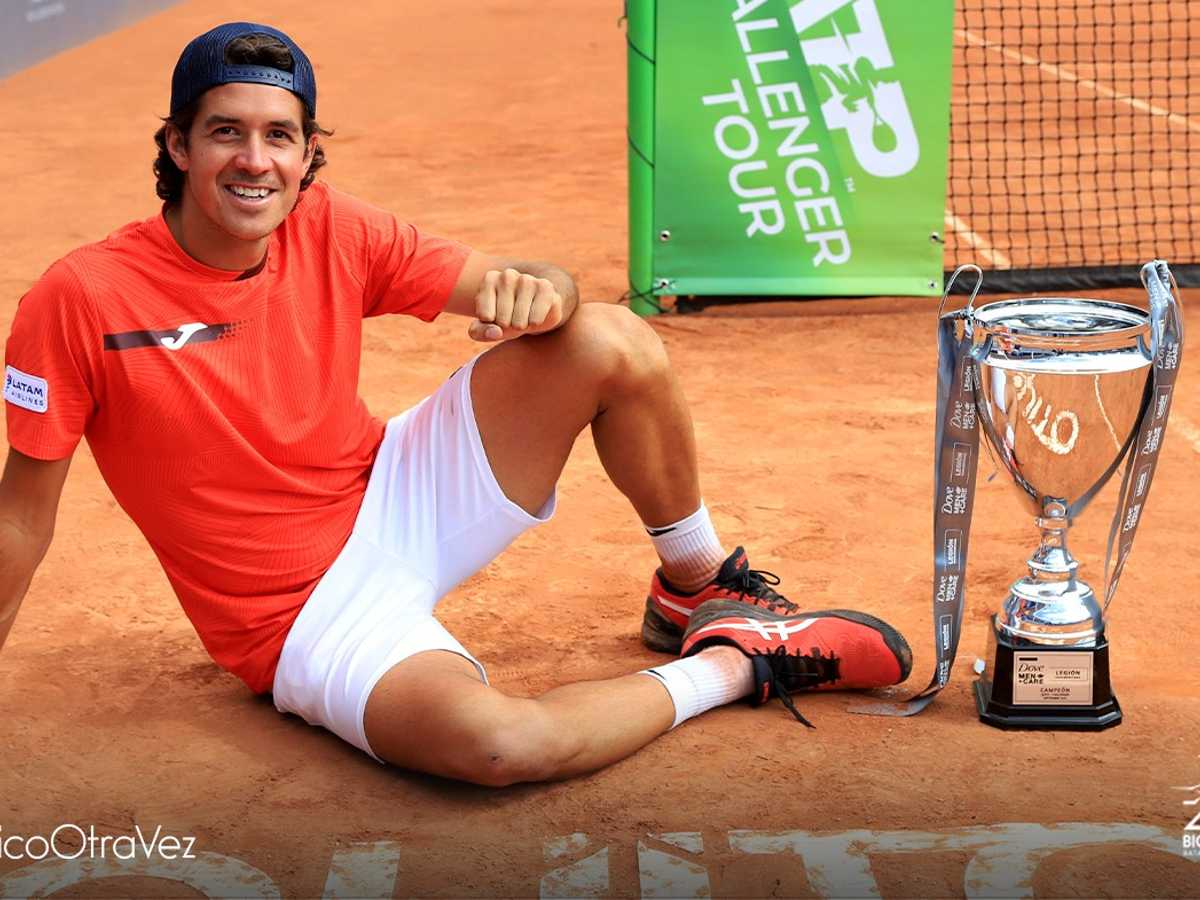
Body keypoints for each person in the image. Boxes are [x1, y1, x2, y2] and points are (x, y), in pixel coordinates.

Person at [0, 22, 912, 787]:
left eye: (280, 136)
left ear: (309, 152)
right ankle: (741, 662)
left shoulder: (333, 226)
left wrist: (541, 294)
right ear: (177, 145)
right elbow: (20, 520)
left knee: (605, 337)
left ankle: (696, 586)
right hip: (301, 617)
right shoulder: (81, 298)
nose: (255, 160)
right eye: (226, 132)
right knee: (501, 746)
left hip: (393, 491)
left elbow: (539, 282)